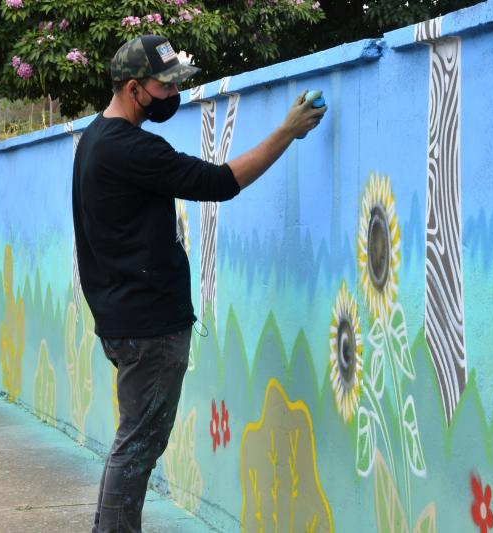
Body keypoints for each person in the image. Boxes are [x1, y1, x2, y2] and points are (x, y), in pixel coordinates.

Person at [72, 35, 327, 532]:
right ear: (132, 89)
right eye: (163, 87)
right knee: (138, 446)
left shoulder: (95, 139)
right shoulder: (133, 149)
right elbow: (219, 183)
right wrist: (286, 132)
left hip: (123, 319)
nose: (172, 96)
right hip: (149, 326)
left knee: (134, 442)